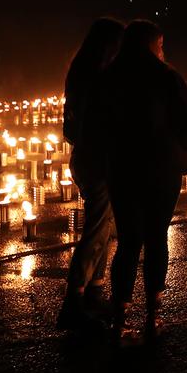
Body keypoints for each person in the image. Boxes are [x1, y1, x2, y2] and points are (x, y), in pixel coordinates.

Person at [92, 20, 187, 339]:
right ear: (152, 44)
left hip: (122, 168)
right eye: (161, 44)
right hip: (161, 168)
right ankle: (153, 316)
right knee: (156, 237)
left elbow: (97, 122)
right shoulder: (167, 76)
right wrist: (183, 146)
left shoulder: (109, 77)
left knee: (128, 241)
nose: (162, 50)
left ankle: (118, 319)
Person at [57, 18, 124, 330]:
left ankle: (94, 294)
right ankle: (73, 303)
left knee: (106, 227)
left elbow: (69, 129)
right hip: (96, 160)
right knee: (97, 229)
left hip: (88, 157)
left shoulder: (82, 75)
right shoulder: (95, 80)